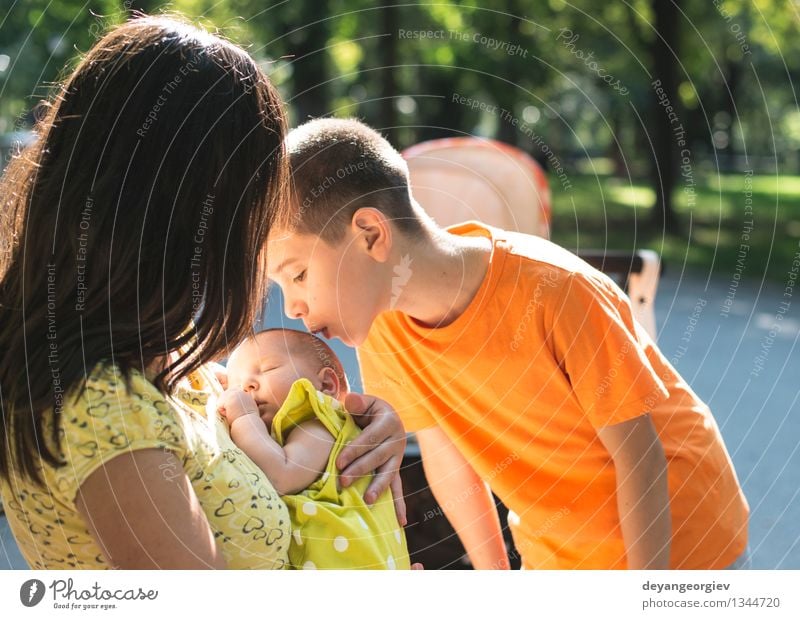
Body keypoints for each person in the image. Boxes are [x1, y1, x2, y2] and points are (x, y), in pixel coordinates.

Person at [0, 19, 407, 570]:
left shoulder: (160, 357)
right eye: (252, 208)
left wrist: (359, 425)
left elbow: (254, 411)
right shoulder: (105, 415)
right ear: (192, 215)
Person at [265, 117, 750, 570]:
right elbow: (446, 456)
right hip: (559, 554)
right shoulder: (382, 323)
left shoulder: (556, 289)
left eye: (300, 275)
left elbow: (639, 456)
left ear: (370, 234)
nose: (292, 307)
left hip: (682, 541)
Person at [218, 328, 411, 569]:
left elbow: (281, 475)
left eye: (267, 369)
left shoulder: (322, 423)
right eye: (237, 384)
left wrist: (243, 416)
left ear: (327, 384)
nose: (247, 386)